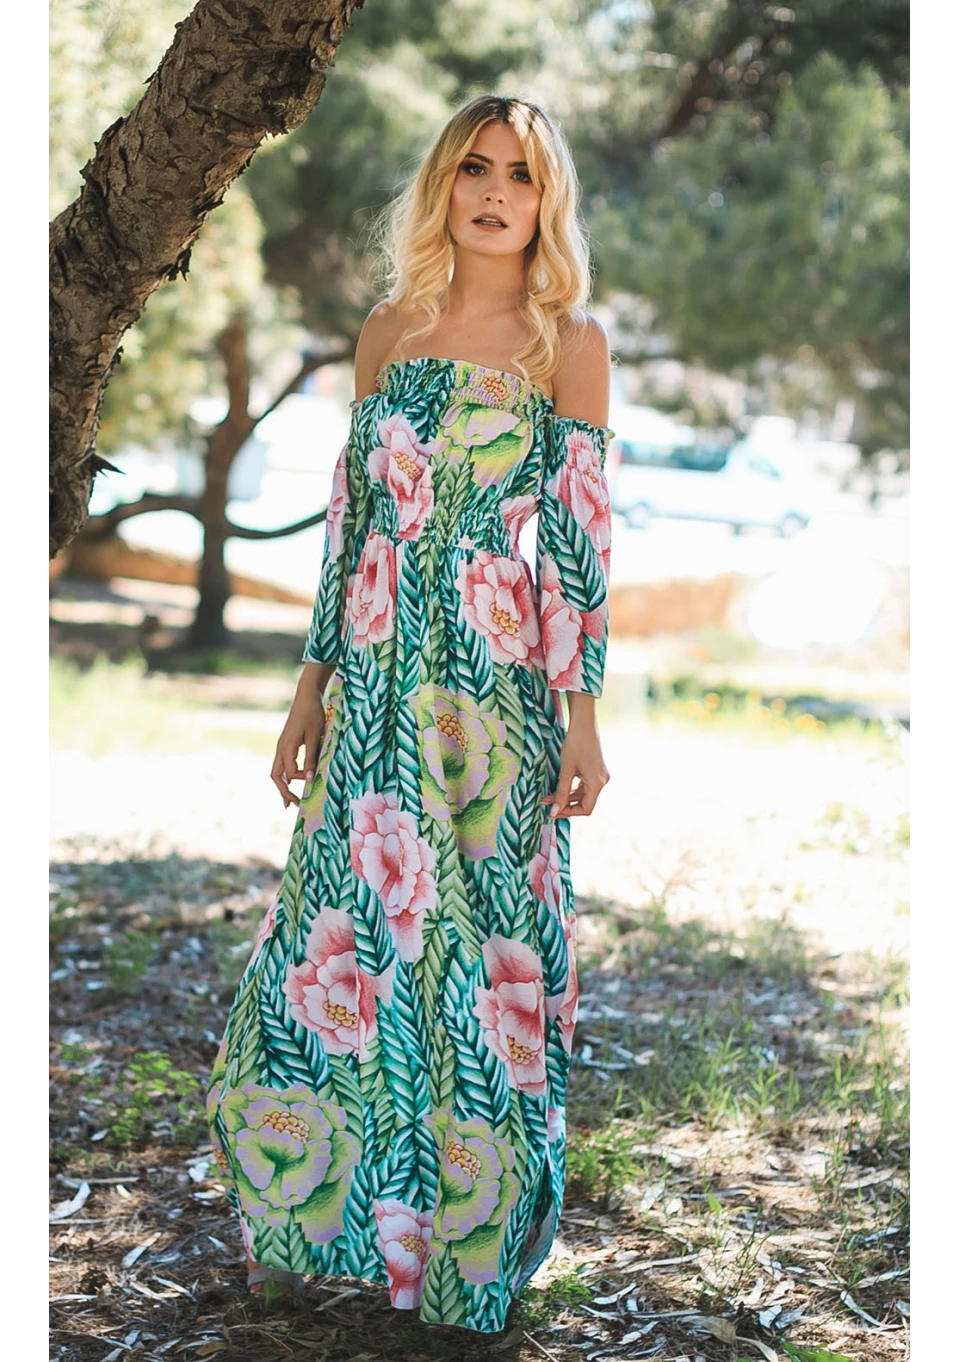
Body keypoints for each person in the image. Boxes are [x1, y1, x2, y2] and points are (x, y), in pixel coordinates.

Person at [206, 92, 615, 1334]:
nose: (495, 193)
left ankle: (469, 1255)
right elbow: (352, 529)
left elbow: (579, 549)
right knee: (345, 939)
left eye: (521, 176)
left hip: (492, 698)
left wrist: (583, 717)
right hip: (377, 682)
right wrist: (309, 688)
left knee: (484, 962)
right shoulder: (388, 330)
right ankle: (342, 1224)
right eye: (475, 168)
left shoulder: (567, 344)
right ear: (444, 184)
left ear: (548, 202)